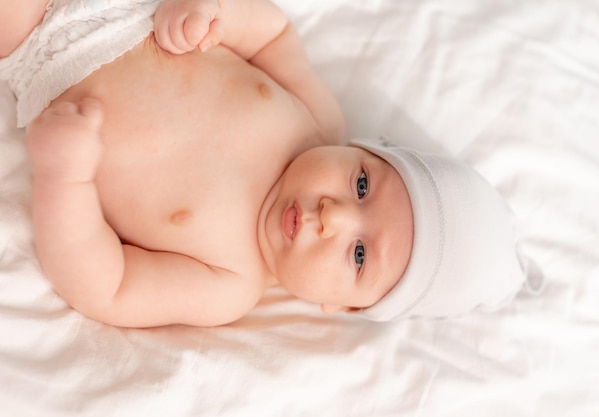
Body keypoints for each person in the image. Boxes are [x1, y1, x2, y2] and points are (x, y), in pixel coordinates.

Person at [0, 0, 539, 328]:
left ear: (341, 308)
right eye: (361, 183)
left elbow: (106, 286)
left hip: (45, 52)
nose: (334, 216)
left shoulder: (227, 284)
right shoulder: (316, 120)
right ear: (365, 149)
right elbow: (274, 33)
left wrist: (64, 175)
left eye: (358, 254)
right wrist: (213, 15)